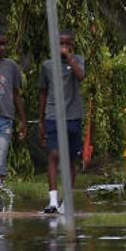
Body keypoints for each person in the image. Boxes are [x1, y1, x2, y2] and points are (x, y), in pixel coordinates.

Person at [39, 30, 85, 214]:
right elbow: (42, 92)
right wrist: (41, 120)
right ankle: (52, 201)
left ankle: (67, 202)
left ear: (72, 45)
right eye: (60, 44)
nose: (63, 47)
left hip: (73, 116)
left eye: (67, 44)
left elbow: (81, 76)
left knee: (71, 160)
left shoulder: (78, 60)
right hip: (53, 115)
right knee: (54, 155)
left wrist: (69, 57)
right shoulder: (47, 66)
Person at [0, 28, 26, 188]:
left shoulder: (11, 67)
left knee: (1, 156)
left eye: (4, 44)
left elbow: (16, 94)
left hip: (5, 119)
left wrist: (22, 120)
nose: (2, 48)